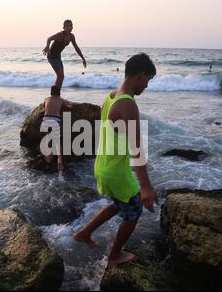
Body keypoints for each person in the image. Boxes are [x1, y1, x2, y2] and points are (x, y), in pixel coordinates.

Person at [73, 53, 158, 264]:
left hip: (102, 166)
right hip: (116, 172)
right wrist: (146, 186)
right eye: (148, 80)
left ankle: (84, 233)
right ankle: (114, 255)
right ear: (140, 75)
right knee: (134, 210)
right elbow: (136, 147)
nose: (146, 86)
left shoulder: (110, 97)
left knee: (120, 203)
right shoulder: (128, 104)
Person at [43, 20, 87, 88]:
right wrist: (47, 46)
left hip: (58, 57)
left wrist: (83, 59)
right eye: (68, 26)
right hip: (51, 56)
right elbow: (49, 38)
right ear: (64, 27)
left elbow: (76, 48)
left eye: (71, 26)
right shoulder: (60, 35)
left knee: (62, 76)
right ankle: (55, 94)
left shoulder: (71, 37)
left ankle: (57, 93)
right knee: (60, 75)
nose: (70, 27)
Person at [40, 86, 73, 172]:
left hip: (46, 119)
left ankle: (48, 156)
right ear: (59, 93)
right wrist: (70, 106)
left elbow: (44, 105)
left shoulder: (47, 99)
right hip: (55, 119)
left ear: (51, 92)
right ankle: (59, 160)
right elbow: (68, 107)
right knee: (57, 141)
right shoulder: (60, 100)